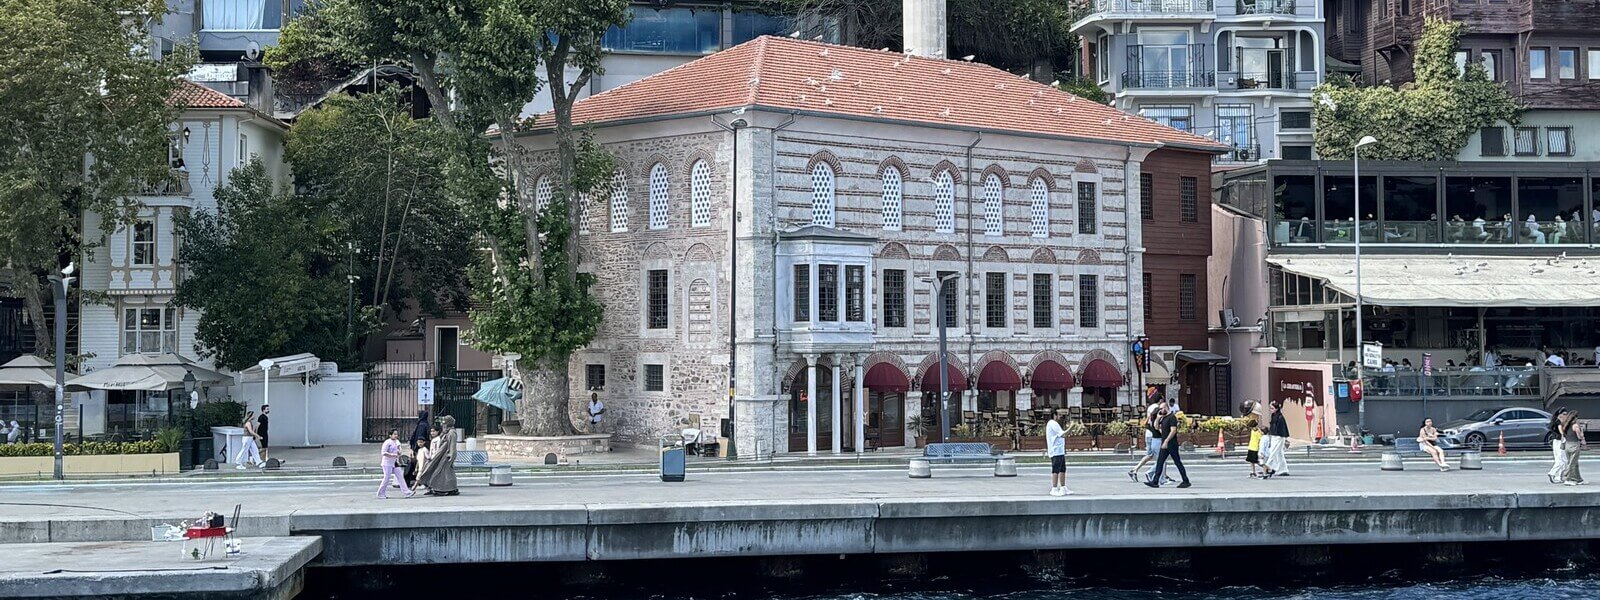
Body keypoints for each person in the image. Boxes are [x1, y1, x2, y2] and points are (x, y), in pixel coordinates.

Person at [1144, 404, 1190, 488]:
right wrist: (1158, 418)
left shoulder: (1172, 417)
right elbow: (1156, 427)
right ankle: (1155, 481)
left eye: (1162, 409)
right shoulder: (1163, 417)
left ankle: (1185, 480)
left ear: (1166, 408)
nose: (1160, 410)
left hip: (1171, 443)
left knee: (1177, 462)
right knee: (1160, 462)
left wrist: (1166, 440)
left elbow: (1173, 431)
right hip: (1164, 444)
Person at [417, 415, 459, 496]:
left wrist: (451, 455)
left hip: (446, 455)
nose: (443, 425)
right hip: (441, 455)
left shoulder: (452, 432)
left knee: (444, 472)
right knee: (443, 472)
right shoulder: (446, 432)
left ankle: (448, 488)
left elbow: (452, 445)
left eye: (445, 423)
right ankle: (442, 488)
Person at [1127, 403, 1163, 482]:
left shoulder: (1151, 407)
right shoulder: (1157, 408)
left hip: (1149, 434)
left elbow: (1146, 422)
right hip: (1154, 437)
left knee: (1150, 456)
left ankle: (1135, 470)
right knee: (1159, 458)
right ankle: (1155, 474)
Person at [377, 429, 415, 499]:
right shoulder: (387, 442)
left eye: (396, 434)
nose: (396, 436)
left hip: (395, 462)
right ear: (390, 435)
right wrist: (392, 455)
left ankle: (407, 492)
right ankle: (381, 493)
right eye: (394, 434)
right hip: (387, 463)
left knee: (400, 476)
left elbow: (399, 449)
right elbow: (383, 453)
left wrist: (399, 451)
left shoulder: (397, 442)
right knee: (386, 478)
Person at [1262, 402, 1291, 477]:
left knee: (1273, 451)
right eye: (1270, 408)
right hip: (1274, 436)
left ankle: (1268, 467)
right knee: (1278, 453)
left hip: (1279, 437)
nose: (1271, 410)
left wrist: (1285, 438)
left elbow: (1282, 428)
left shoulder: (1280, 417)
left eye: (1272, 408)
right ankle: (1283, 469)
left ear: (1276, 409)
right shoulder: (1274, 415)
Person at [1045, 413, 1071, 496]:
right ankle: (1054, 488)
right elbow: (1063, 434)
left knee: (1062, 469)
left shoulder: (1056, 424)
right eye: (1059, 415)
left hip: (1060, 450)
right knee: (1056, 469)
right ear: (1054, 415)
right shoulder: (1053, 423)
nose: (1061, 417)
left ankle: (1063, 487)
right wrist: (1071, 427)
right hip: (1055, 450)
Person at [1560, 410, 1586, 486]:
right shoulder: (1575, 425)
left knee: (1574, 463)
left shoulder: (1565, 425)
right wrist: (1582, 435)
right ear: (1575, 417)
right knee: (1572, 464)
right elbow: (1579, 436)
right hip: (1574, 445)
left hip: (1567, 445)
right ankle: (1566, 478)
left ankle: (1578, 479)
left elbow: (1563, 435)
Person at [1548, 408, 1569, 484]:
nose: (1566, 416)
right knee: (1562, 460)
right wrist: (1564, 435)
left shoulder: (1554, 422)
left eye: (1566, 414)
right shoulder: (1559, 422)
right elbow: (1561, 431)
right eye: (1564, 414)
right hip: (1560, 441)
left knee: (1559, 459)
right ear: (1559, 415)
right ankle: (1552, 473)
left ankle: (1558, 477)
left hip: (1555, 441)